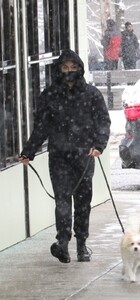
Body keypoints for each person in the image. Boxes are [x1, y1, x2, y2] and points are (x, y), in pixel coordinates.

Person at [19, 49, 111, 263]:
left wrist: (99, 145)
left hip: (85, 154)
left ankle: (81, 243)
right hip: (59, 155)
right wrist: (29, 151)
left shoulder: (91, 94)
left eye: (73, 68)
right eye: (65, 68)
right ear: (58, 70)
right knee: (61, 199)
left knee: (82, 201)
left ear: (80, 69)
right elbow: (41, 127)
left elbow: (103, 122)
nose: (69, 71)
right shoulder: (49, 95)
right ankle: (62, 242)